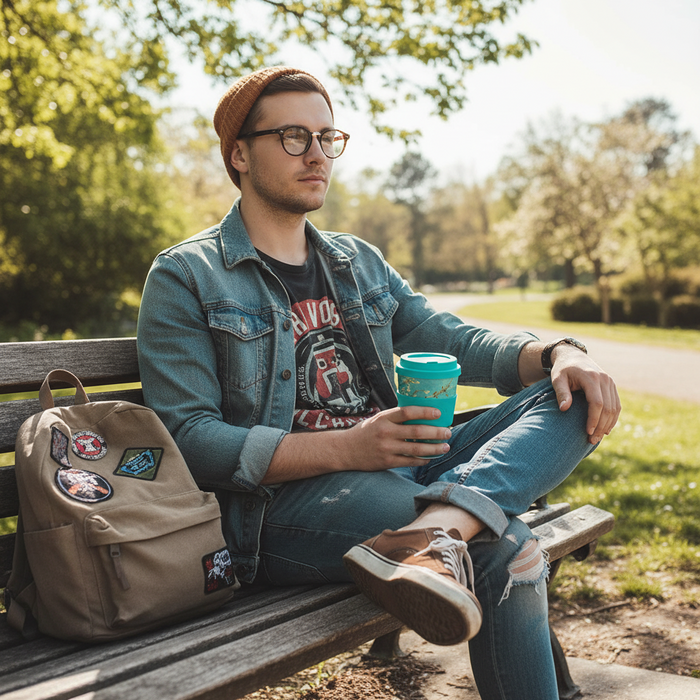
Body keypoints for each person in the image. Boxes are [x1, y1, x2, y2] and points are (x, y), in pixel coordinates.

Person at [137, 65, 621, 699]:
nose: (317, 154)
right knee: (502, 544)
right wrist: (347, 449)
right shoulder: (187, 276)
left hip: (403, 471)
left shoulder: (354, 260)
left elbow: (450, 338)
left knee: (574, 394)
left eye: (326, 137)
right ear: (239, 154)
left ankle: (439, 530)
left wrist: (557, 351)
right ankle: (451, 529)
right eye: (292, 137)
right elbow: (189, 441)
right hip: (283, 510)